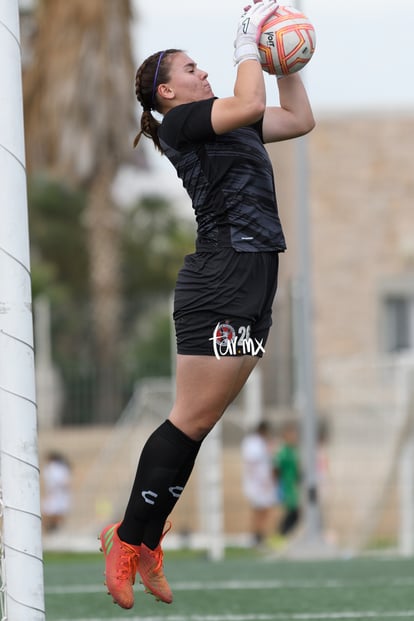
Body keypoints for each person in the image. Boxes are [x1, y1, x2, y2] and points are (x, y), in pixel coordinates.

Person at [99, 0, 315, 610]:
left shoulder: (228, 119)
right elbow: (246, 105)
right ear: (167, 91)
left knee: (199, 424)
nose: (204, 72)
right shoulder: (180, 124)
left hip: (254, 276)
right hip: (222, 277)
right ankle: (127, 538)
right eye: (192, 68)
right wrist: (248, 38)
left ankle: (144, 544)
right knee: (187, 419)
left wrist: (285, 55)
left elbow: (298, 119)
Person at [241, 421, 276, 546]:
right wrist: (259, 481)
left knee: (264, 510)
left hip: (263, 483)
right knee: (259, 510)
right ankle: (257, 536)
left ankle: (260, 535)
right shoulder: (253, 443)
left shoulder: (262, 443)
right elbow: (252, 464)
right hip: (257, 484)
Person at [273, 422, 301, 541]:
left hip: (293, 485)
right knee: (293, 511)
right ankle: (280, 536)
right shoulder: (283, 451)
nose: (294, 437)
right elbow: (276, 468)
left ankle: (284, 536)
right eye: (291, 435)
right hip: (286, 485)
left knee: (295, 512)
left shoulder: (294, 450)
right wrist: (279, 483)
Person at [41, 451, 72, 533]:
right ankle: (50, 529)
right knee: (51, 512)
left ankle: (53, 530)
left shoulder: (53, 467)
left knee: (55, 512)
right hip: (56, 494)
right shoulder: (55, 467)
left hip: (57, 494)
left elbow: (62, 481)